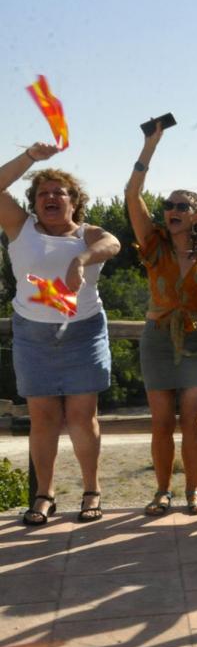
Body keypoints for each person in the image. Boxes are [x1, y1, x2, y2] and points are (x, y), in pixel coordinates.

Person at [2, 144, 120, 525]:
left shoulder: (87, 235)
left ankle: (91, 491)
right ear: (34, 203)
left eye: (59, 192)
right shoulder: (20, 227)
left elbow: (113, 244)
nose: (50, 197)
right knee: (42, 416)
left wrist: (80, 259)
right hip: (33, 335)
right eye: (42, 193)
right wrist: (30, 159)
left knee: (83, 417)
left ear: (74, 201)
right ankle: (44, 495)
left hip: (83, 333)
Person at [126, 122, 197, 516]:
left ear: (196, 216)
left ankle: (192, 490)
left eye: (180, 206)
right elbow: (132, 194)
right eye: (169, 206)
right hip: (156, 337)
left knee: (194, 419)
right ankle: (161, 491)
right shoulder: (152, 244)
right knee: (160, 422)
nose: (171, 210)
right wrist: (149, 146)